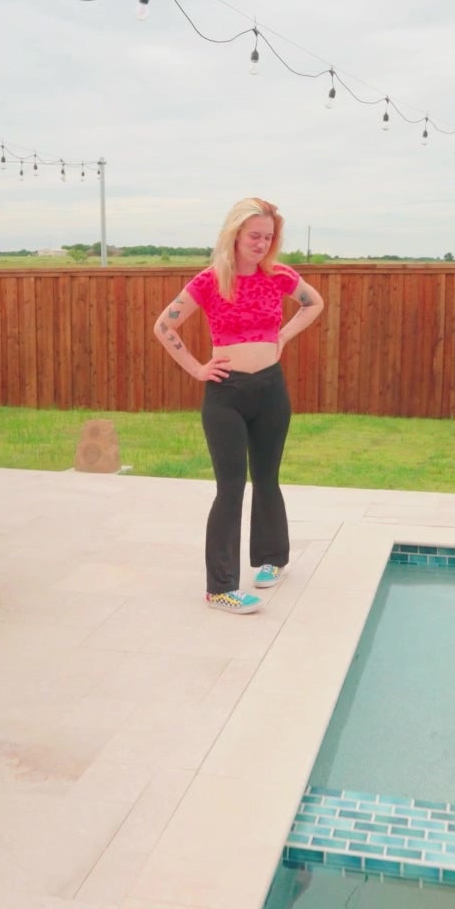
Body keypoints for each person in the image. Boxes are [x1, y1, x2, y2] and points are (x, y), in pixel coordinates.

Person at [153, 197, 325, 614]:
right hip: (226, 394)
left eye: (268, 237)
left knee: (267, 477)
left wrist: (282, 337)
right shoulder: (210, 281)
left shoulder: (280, 276)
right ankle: (221, 588)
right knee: (230, 487)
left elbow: (314, 303)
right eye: (255, 236)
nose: (262, 244)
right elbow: (164, 325)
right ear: (234, 234)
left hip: (270, 390)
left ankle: (271, 559)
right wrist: (196, 368)